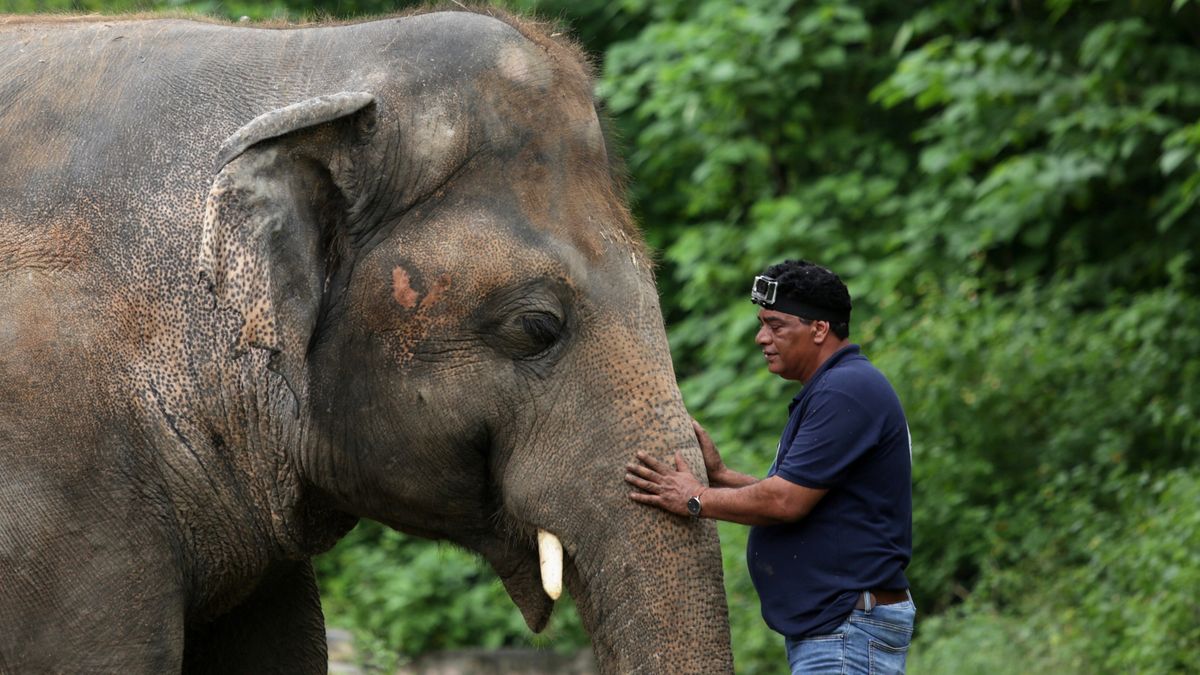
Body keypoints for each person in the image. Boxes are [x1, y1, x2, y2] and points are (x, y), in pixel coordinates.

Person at [625, 259, 914, 674]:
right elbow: (811, 498)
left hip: (846, 629)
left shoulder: (845, 391)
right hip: (841, 627)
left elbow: (785, 502)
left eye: (777, 326)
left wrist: (694, 498)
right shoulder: (837, 388)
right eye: (762, 324)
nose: (762, 338)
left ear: (819, 329)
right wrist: (723, 477)